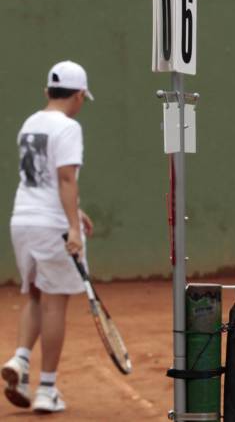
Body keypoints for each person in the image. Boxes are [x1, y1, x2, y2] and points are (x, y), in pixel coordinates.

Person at [2, 60, 94, 413]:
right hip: (51, 223)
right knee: (56, 301)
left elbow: (40, 179)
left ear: (47, 92)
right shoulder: (68, 127)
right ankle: (46, 389)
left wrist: (76, 212)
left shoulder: (30, 123)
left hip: (22, 220)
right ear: (79, 95)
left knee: (35, 296)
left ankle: (21, 360)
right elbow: (65, 179)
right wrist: (72, 226)